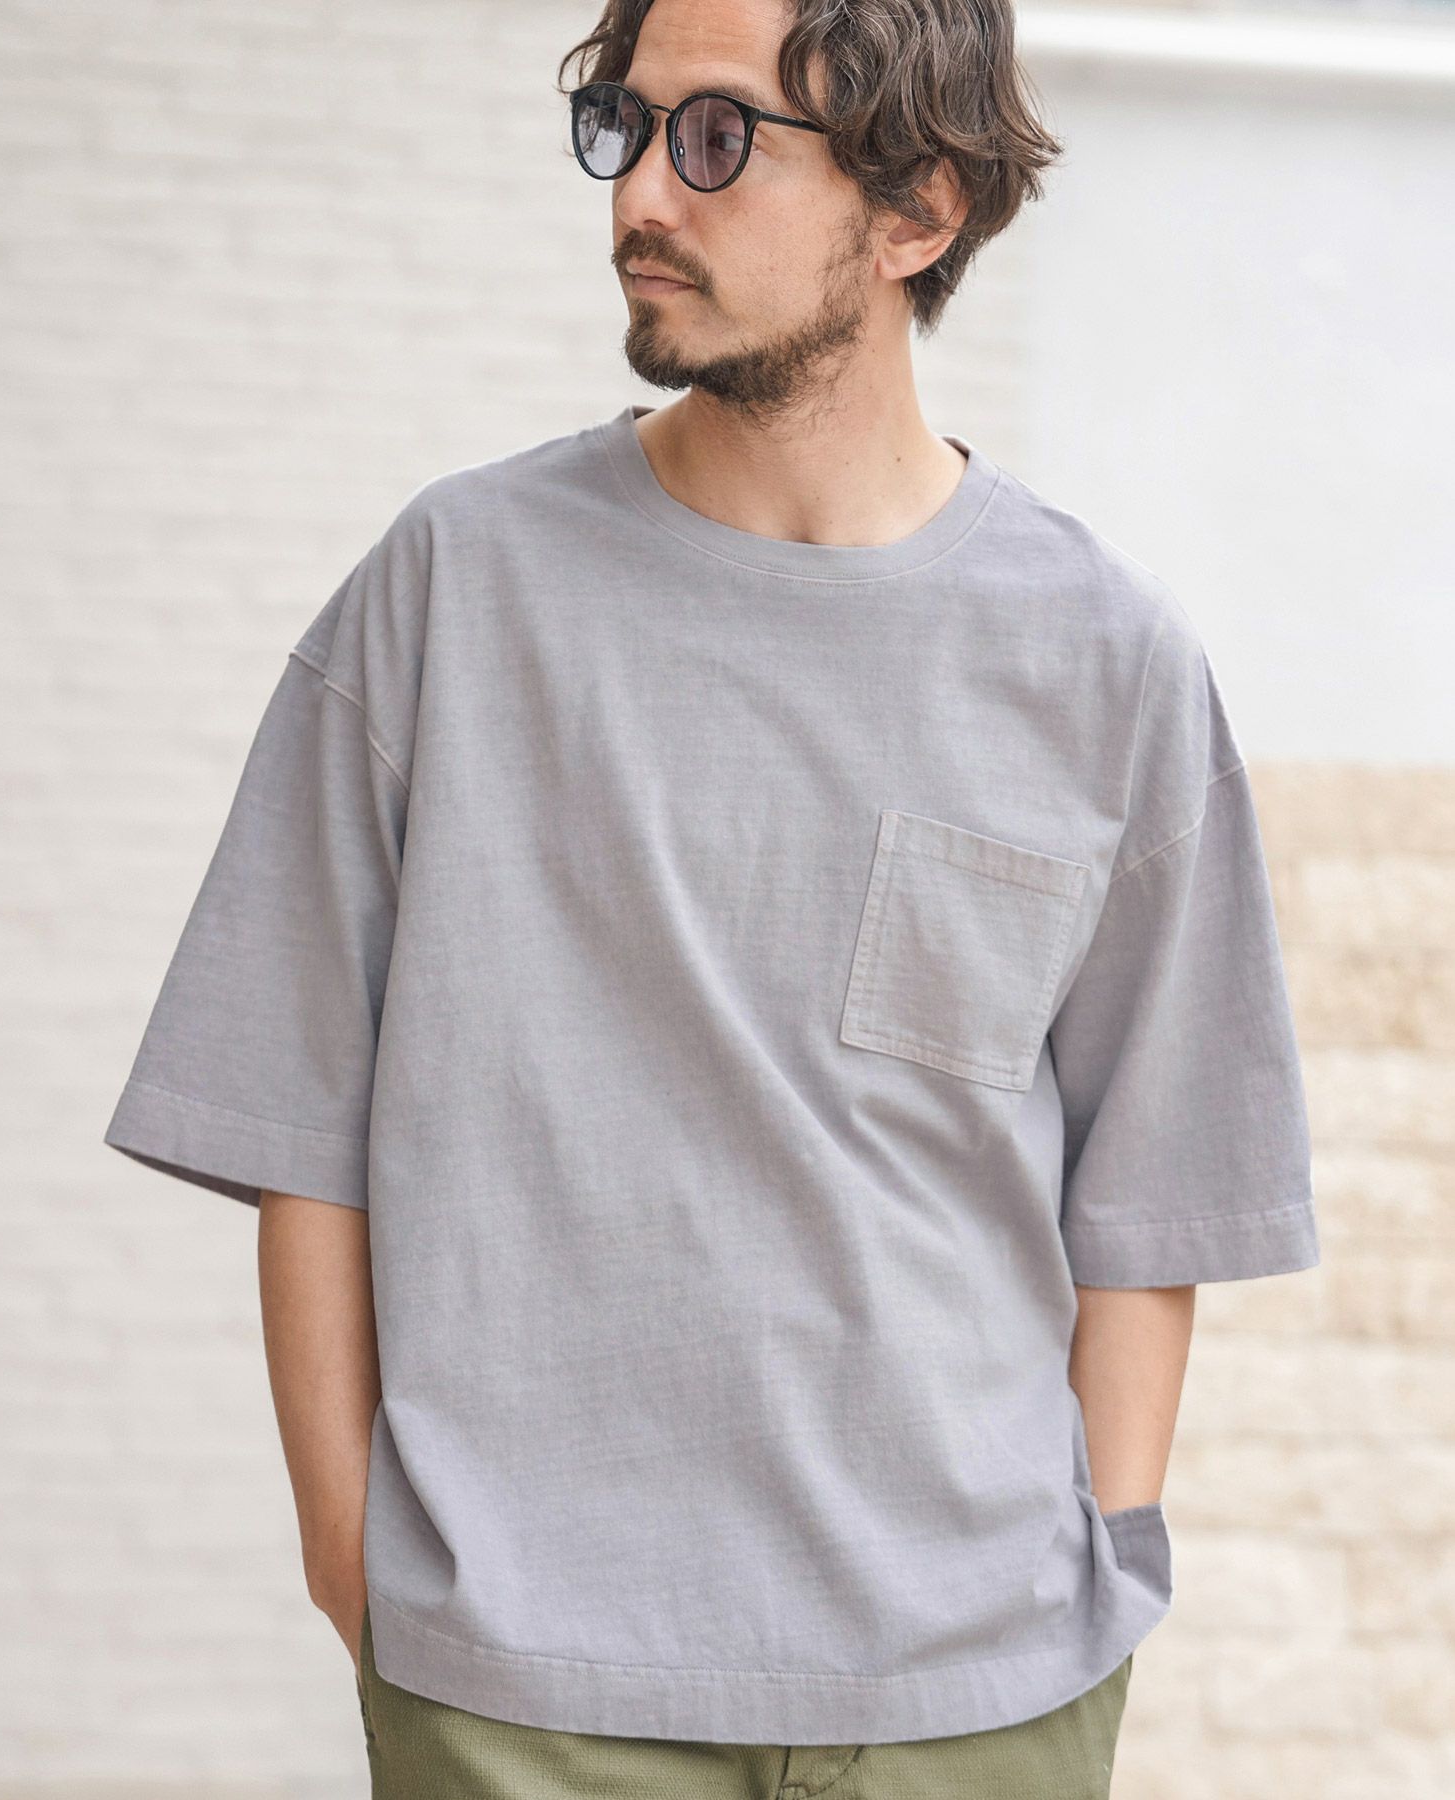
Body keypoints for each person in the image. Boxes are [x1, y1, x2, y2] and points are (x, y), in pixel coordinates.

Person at [102, 0, 1322, 1793]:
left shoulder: (1106, 663)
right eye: (627, 120)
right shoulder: (453, 590)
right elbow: (298, 1132)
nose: (640, 198)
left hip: (976, 1707)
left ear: (918, 208)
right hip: (525, 1705)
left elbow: (1151, 1206)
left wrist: (1096, 1559)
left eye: (720, 136)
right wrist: (360, 1576)